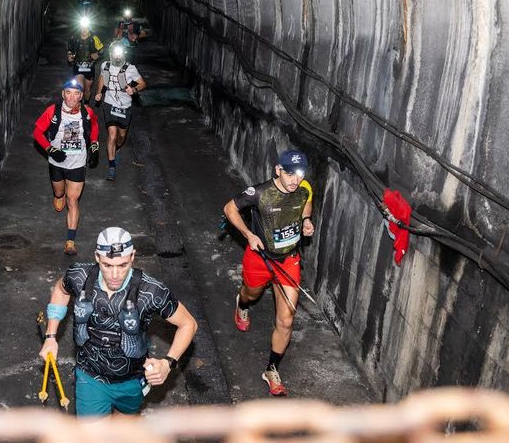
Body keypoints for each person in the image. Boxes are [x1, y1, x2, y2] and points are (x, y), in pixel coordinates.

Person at [39, 227, 198, 417]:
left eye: (122, 265)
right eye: (107, 265)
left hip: (132, 380)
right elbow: (60, 290)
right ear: (97, 257)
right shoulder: (78, 276)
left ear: (132, 257)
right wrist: (50, 335)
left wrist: (168, 363)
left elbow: (189, 324)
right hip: (90, 376)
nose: (115, 275)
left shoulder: (152, 291)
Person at [221, 149, 315, 396]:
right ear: (278, 170)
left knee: (286, 320)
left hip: (288, 260)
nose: (295, 180)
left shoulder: (303, 187)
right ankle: (241, 303)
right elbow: (230, 208)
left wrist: (306, 220)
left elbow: (307, 201)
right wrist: (249, 235)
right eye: (289, 174)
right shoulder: (259, 193)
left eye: (299, 174)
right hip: (260, 258)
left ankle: (271, 369)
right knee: (251, 295)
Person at [33, 78, 100, 255]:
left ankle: (70, 242)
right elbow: (37, 132)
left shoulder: (87, 112)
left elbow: (94, 126)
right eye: (68, 92)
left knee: (72, 200)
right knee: (59, 193)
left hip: (77, 162)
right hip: (57, 161)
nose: (72, 97)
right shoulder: (53, 111)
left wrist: (94, 145)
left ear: (81, 96)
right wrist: (50, 149)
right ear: (63, 94)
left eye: (76, 93)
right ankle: (58, 194)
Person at [94, 42, 145, 181]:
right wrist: (99, 93)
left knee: (121, 137)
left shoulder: (130, 68)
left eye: (120, 53)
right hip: (109, 104)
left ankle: (117, 148)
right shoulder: (105, 65)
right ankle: (112, 167)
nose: (117, 55)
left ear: (123, 54)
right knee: (112, 134)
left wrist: (133, 89)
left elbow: (143, 84)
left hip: (124, 107)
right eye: (115, 53)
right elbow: (102, 78)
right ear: (111, 53)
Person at [67, 17, 104, 104]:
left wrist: (97, 55)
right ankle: (78, 105)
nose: (84, 30)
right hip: (78, 66)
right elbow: (69, 48)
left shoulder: (94, 38)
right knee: (79, 87)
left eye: (86, 28)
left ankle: (86, 104)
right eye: (82, 27)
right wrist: (69, 55)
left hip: (89, 66)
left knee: (87, 89)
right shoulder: (74, 38)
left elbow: (102, 50)